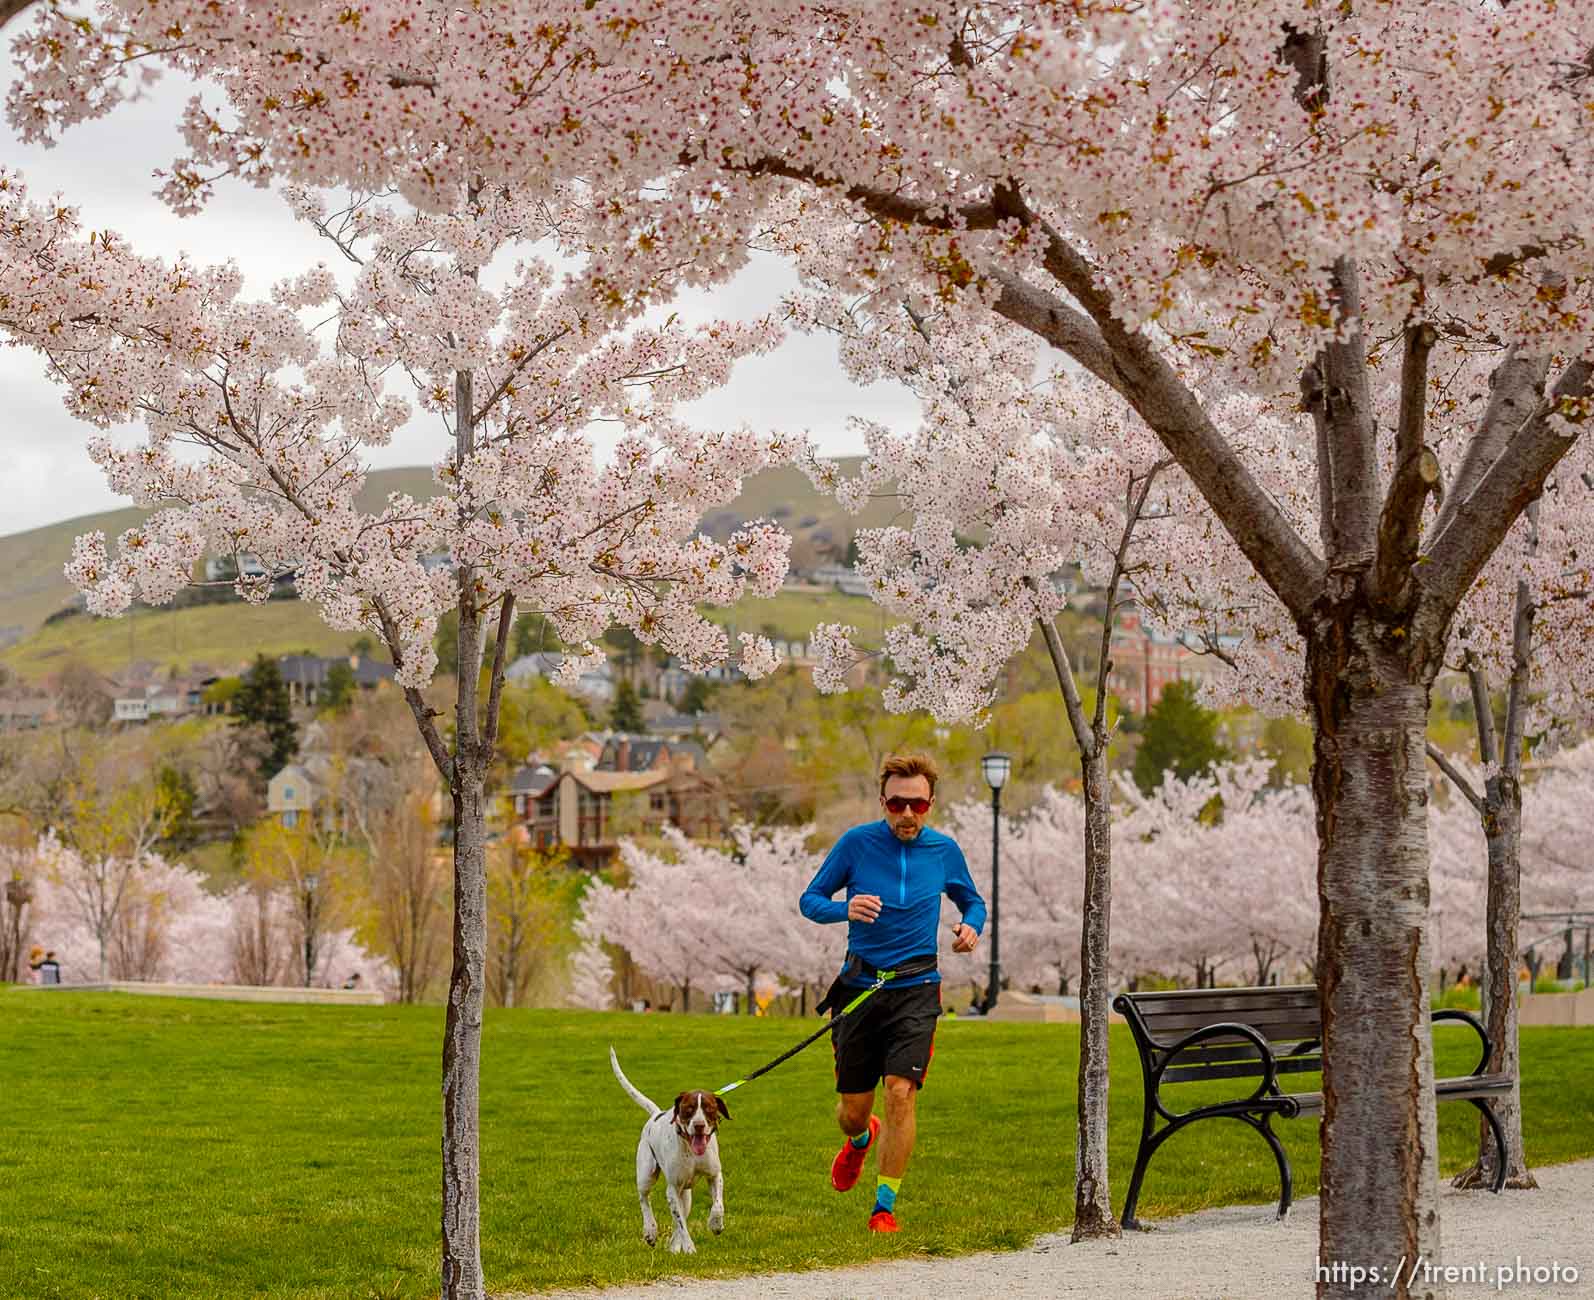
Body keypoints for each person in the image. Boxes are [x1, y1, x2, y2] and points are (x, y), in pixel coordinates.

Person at [799, 753, 985, 1235]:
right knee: (852, 1112)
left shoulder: (944, 851)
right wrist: (846, 908)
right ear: (883, 802)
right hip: (860, 990)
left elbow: (973, 900)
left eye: (917, 805)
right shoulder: (856, 845)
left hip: (917, 989)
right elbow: (810, 901)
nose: (907, 814)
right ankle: (860, 1140)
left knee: (901, 1092)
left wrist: (971, 927)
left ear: (930, 804)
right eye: (898, 804)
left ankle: (884, 1207)